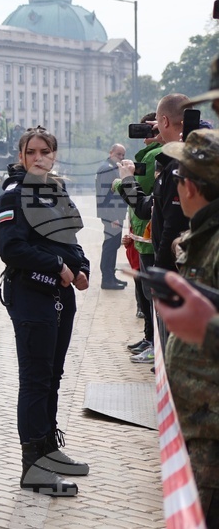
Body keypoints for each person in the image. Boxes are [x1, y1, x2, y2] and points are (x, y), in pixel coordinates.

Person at [0, 126, 90, 497]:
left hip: (61, 296)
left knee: (53, 376)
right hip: (30, 294)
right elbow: (11, 249)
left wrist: (81, 268)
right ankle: (33, 466)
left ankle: (49, 449)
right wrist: (56, 265)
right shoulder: (12, 196)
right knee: (35, 379)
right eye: (31, 152)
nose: (38, 158)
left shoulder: (56, 193)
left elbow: (72, 240)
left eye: (45, 152)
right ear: (21, 156)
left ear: (54, 156)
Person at [152, 129, 219, 525]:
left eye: (178, 178)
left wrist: (205, 327)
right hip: (200, 427)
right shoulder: (204, 234)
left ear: (190, 187)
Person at [118, 94, 191, 356]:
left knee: (173, 349)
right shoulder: (180, 160)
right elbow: (149, 207)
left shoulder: (177, 167)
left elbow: (170, 224)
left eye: (159, 124)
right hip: (181, 269)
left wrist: (158, 273)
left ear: (164, 121)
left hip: (176, 271)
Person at [120, 113, 162, 359]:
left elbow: (142, 198)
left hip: (151, 237)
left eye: (151, 129)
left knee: (151, 295)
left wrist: (122, 182)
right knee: (145, 293)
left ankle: (154, 344)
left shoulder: (156, 155)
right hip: (143, 235)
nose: (145, 134)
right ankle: (150, 340)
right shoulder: (152, 154)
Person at [96, 143, 127, 289]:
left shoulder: (112, 168)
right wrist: (112, 217)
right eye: (118, 154)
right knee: (110, 246)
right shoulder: (107, 169)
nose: (121, 157)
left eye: (123, 155)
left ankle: (111, 276)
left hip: (115, 214)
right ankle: (107, 279)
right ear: (111, 153)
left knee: (114, 245)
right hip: (112, 215)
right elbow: (106, 195)